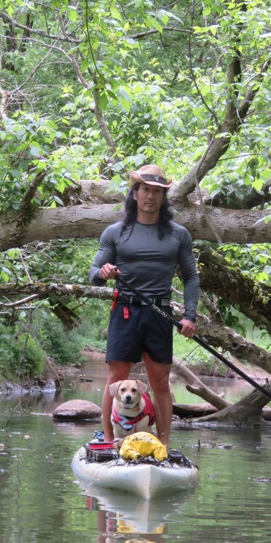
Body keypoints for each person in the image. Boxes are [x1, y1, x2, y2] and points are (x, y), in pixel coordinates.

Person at [89, 164, 199, 447]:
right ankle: (109, 439)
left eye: (157, 191)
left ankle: (162, 443)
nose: (151, 196)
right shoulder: (115, 232)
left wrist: (189, 316)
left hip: (160, 312)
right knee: (116, 378)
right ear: (135, 194)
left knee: (161, 383)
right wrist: (104, 273)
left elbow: (191, 277)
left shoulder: (179, 235)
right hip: (125, 310)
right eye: (145, 190)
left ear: (163, 198)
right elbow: (94, 272)